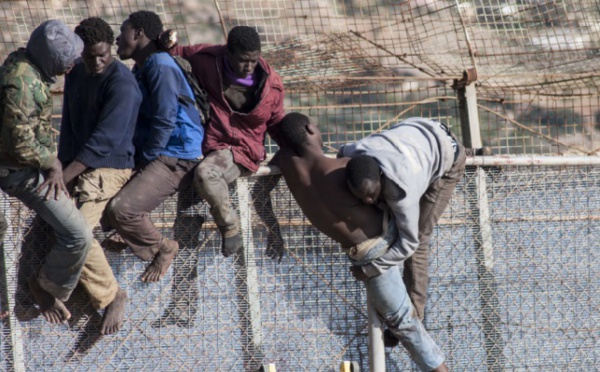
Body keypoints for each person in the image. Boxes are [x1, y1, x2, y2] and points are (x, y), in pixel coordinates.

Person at [260, 112, 448, 371]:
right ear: (310, 128)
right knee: (405, 324)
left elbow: (259, 193)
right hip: (380, 243)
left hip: (364, 253)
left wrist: (273, 229)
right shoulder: (341, 168)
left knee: (403, 323)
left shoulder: (282, 162)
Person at [160, 26, 286, 259]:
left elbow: (278, 123)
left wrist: (294, 150)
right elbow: (175, 52)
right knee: (187, 227)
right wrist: (167, 39)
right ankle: (185, 288)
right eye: (243, 61)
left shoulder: (272, 86)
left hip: (243, 151)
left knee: (208, 174)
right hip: (210, 143)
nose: (249, 67)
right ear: (228, 52)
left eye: (254, 60)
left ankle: (229, 226)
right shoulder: (208, 60)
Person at [338, 117, 466, 345]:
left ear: (381, 178)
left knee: (420, 236)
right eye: (361, 197)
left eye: (372, 194)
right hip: (416, 138)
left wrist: (370, 269)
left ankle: (411, 320)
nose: (367, 200)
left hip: (447, 154)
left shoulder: (402, 192)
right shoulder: (351, 153)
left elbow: (410, 244)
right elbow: (341, 157)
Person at [0, 20, 92, 324]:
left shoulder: (29, 68)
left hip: (23, 166)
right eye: (67, 59)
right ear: (51, 57)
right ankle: (46, 289)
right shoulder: (22, 83)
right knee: (78, 234)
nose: (71, 65)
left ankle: (39, 292)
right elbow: (21, 143)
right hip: (16, 171)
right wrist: (51, 163)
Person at [105, 11, 204, 283]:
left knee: (122, 210)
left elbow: (164, 119)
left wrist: (144, 161)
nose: (117, 37)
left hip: (176, 155)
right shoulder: (144, 67)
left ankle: (163, 247)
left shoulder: (159, 64)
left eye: (122, 30)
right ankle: (127, 235)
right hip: (161, 151)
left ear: (137, 33)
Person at [58, 17, 142, 334]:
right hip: (80, 165)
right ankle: (77, 300)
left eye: (103, 54)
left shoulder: (122, 84)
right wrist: (61, 171)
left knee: (76, 230)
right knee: (54, 222)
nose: (96, 61)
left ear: (112, 50)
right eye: (89, 55)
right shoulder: (77, 73)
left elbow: (104, 141)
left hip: (110, 166)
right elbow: (68, 126)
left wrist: (66, 175)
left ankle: (112, 294)